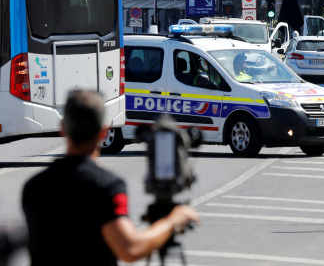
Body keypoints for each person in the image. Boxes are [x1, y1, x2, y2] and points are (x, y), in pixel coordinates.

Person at [22, 90, 200, 266]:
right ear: (103, 132)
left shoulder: (33, 187)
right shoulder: (106, 186)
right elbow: (130, 249)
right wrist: (172, 221)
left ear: (63, 129)